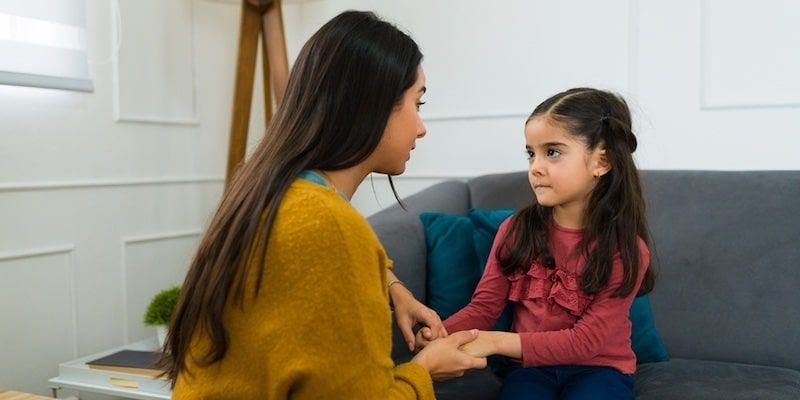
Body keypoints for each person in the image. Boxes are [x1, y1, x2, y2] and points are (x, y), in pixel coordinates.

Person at [163, 10, 486, 399]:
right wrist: (424, 371)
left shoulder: (271, 192)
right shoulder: (328, 225)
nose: (421, 127)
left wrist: (395, 289)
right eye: (417, 103)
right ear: (373, 105)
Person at [418, 88, 655, 400]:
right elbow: (485, 307)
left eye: (552, 152)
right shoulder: (516, 230)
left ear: (602, 162)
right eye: (531, 153)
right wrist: (441, 334)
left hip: (600, 368)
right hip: (529, 369)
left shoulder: (625, 249)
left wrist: (495, 342)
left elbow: (587, 342)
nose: (536, 167)